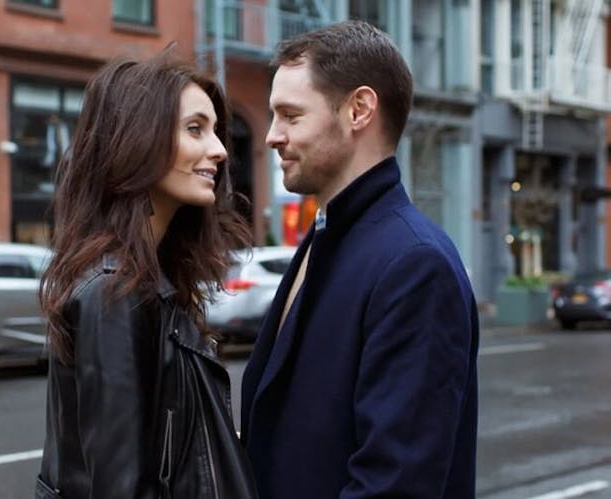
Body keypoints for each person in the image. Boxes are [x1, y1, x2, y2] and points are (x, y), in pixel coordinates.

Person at [241, 20, 479, 498]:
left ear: (359, 110)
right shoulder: (328, 237)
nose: (271, 136)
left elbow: (394, 484)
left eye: (290, 115)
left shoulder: (414, 264)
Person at [36, 54, 256, 498]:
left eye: (215, 130)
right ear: (137, 141)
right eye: (195, 129)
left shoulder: (150, 279)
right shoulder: (116, 292)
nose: (219, 149)